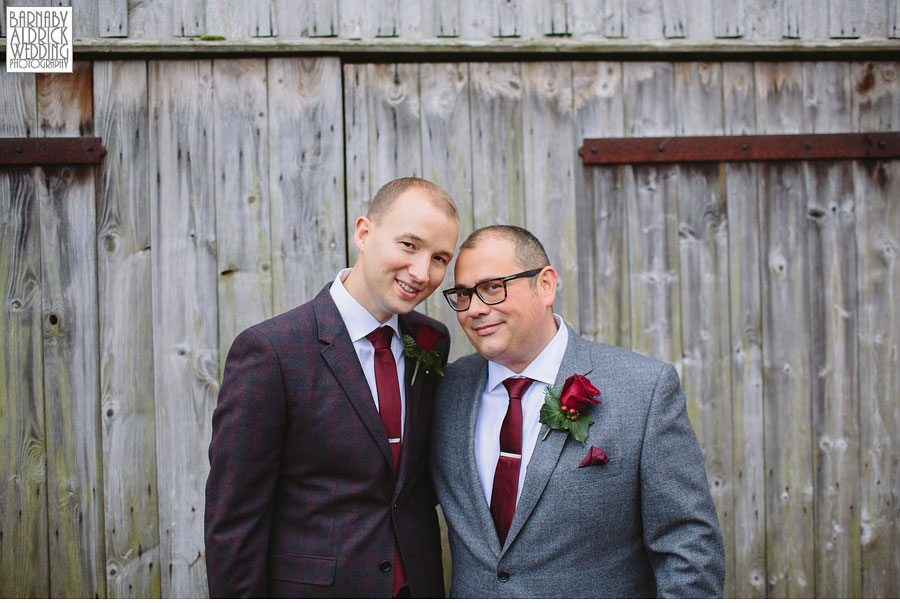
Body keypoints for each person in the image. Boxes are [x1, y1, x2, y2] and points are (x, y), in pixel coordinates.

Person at [430, 225, 725, 598]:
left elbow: (688, 545)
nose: (474, 309)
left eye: (492, 288)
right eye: (463, 294)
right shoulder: (446, 391)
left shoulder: (643, 390)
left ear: (546, 285)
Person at [205, 177, 460, 598]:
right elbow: (234, 518)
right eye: (409, 246)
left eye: (439, 258)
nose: (422, 272)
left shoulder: (432, 341)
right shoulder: (271, 351)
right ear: (363, 233)